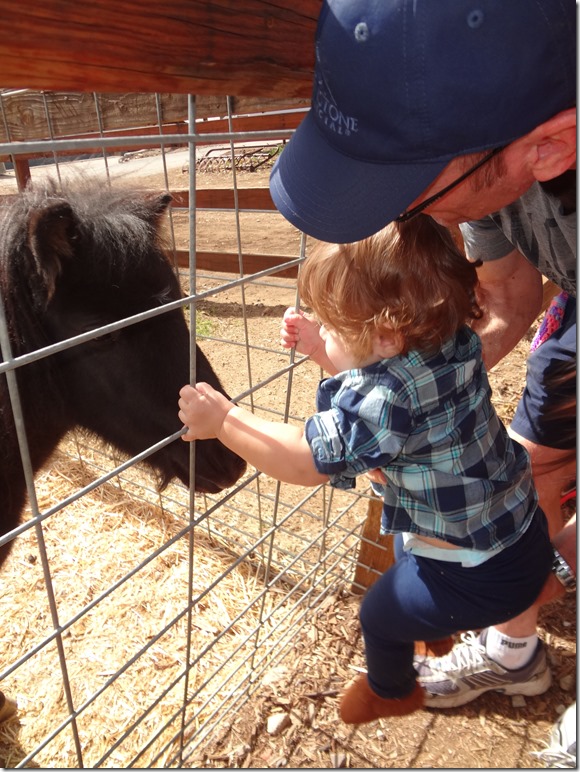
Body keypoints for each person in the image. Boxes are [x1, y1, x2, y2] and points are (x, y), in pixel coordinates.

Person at [268, 0, 576, 707]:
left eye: (405, 197)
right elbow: (509, 298)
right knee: (537, 462)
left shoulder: (489, 161)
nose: (399, 223)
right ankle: (514, 653)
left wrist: (549, 571)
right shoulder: (481, 177)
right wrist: (418, 407)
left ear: (550, 147)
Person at [179, 216, 553, 725]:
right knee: (403, 548)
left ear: (386, 336)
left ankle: (391, 691)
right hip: (518, 529)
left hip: (479, 574)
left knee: (378, 615)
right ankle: (436, 625)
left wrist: (225, 420)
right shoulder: (452, 342)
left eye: (336, 326)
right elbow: (383, 393)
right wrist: (321, 346)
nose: (328, 330)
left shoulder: (388, 397)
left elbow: (304, 458)